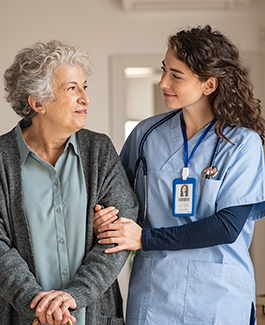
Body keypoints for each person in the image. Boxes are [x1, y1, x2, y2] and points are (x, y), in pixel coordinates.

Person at [93, 25, 265, 324]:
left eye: (176, 75)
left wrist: (145, 239)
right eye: (164, 70)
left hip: (218, 295)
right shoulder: (147, 134)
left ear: (208, 85)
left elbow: (226, 227)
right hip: (155, 292)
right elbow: (117, 198)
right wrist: (104, 217)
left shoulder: (242, 143)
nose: (162, 82)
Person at [0, 40, 138, 325]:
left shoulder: (99, 151)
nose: (85, 99)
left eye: (84, 87)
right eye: (72, 89)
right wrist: (38, 305)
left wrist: (74, 295)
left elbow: (118, 235)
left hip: (94, 316)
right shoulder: (1, 159)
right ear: (37, 103)